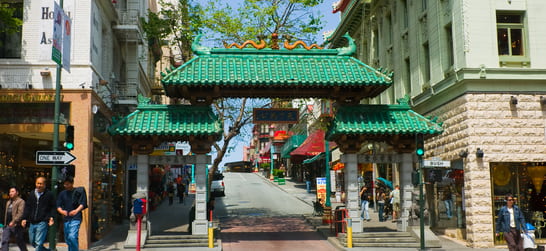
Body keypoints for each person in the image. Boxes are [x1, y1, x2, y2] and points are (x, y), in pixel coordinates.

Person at [22, 177, 55, 251]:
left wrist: (51, 217)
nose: (39, 185)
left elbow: (53, 207)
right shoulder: (32, 194)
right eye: (38, 183)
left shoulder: (49, 194)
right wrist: (24, 218)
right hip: (32, 221)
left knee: (38, 243)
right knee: (32, 242)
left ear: (45, 185)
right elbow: (28, 207)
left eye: (41, 184)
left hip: (42, 221)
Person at [56, 176, 87, 251]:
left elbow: (83, 203)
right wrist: (62, 211)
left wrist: (76, 211)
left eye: (68, 184)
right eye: (65, 184)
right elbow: (58, 205)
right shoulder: (62, 194)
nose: (66, 186)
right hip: (66, 219)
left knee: (72, 236)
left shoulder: (78, 191)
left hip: (76, 218)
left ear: (72, 183)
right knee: (68, 239)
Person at [2, 186, 28, 251]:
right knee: (5, 240)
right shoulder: (8, 202)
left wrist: (14, 221)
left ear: (17, 193)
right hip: (7, 225)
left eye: (12, 191)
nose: (10, 193)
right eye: (10, 192)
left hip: (16, 225)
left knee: (19, 241)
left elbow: (20, 213)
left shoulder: (21, 201)